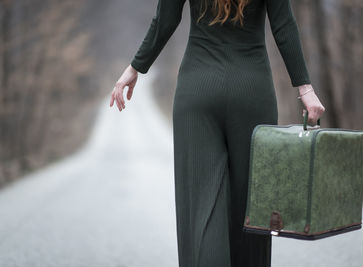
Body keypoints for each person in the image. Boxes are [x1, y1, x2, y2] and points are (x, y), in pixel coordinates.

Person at [110, 0, 325, 266]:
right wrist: (305, 88)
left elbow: (164, 20)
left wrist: (134, 68)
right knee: (251, 211)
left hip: (198, 89)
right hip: (252, 91)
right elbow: (284, 25)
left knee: (202, 207)